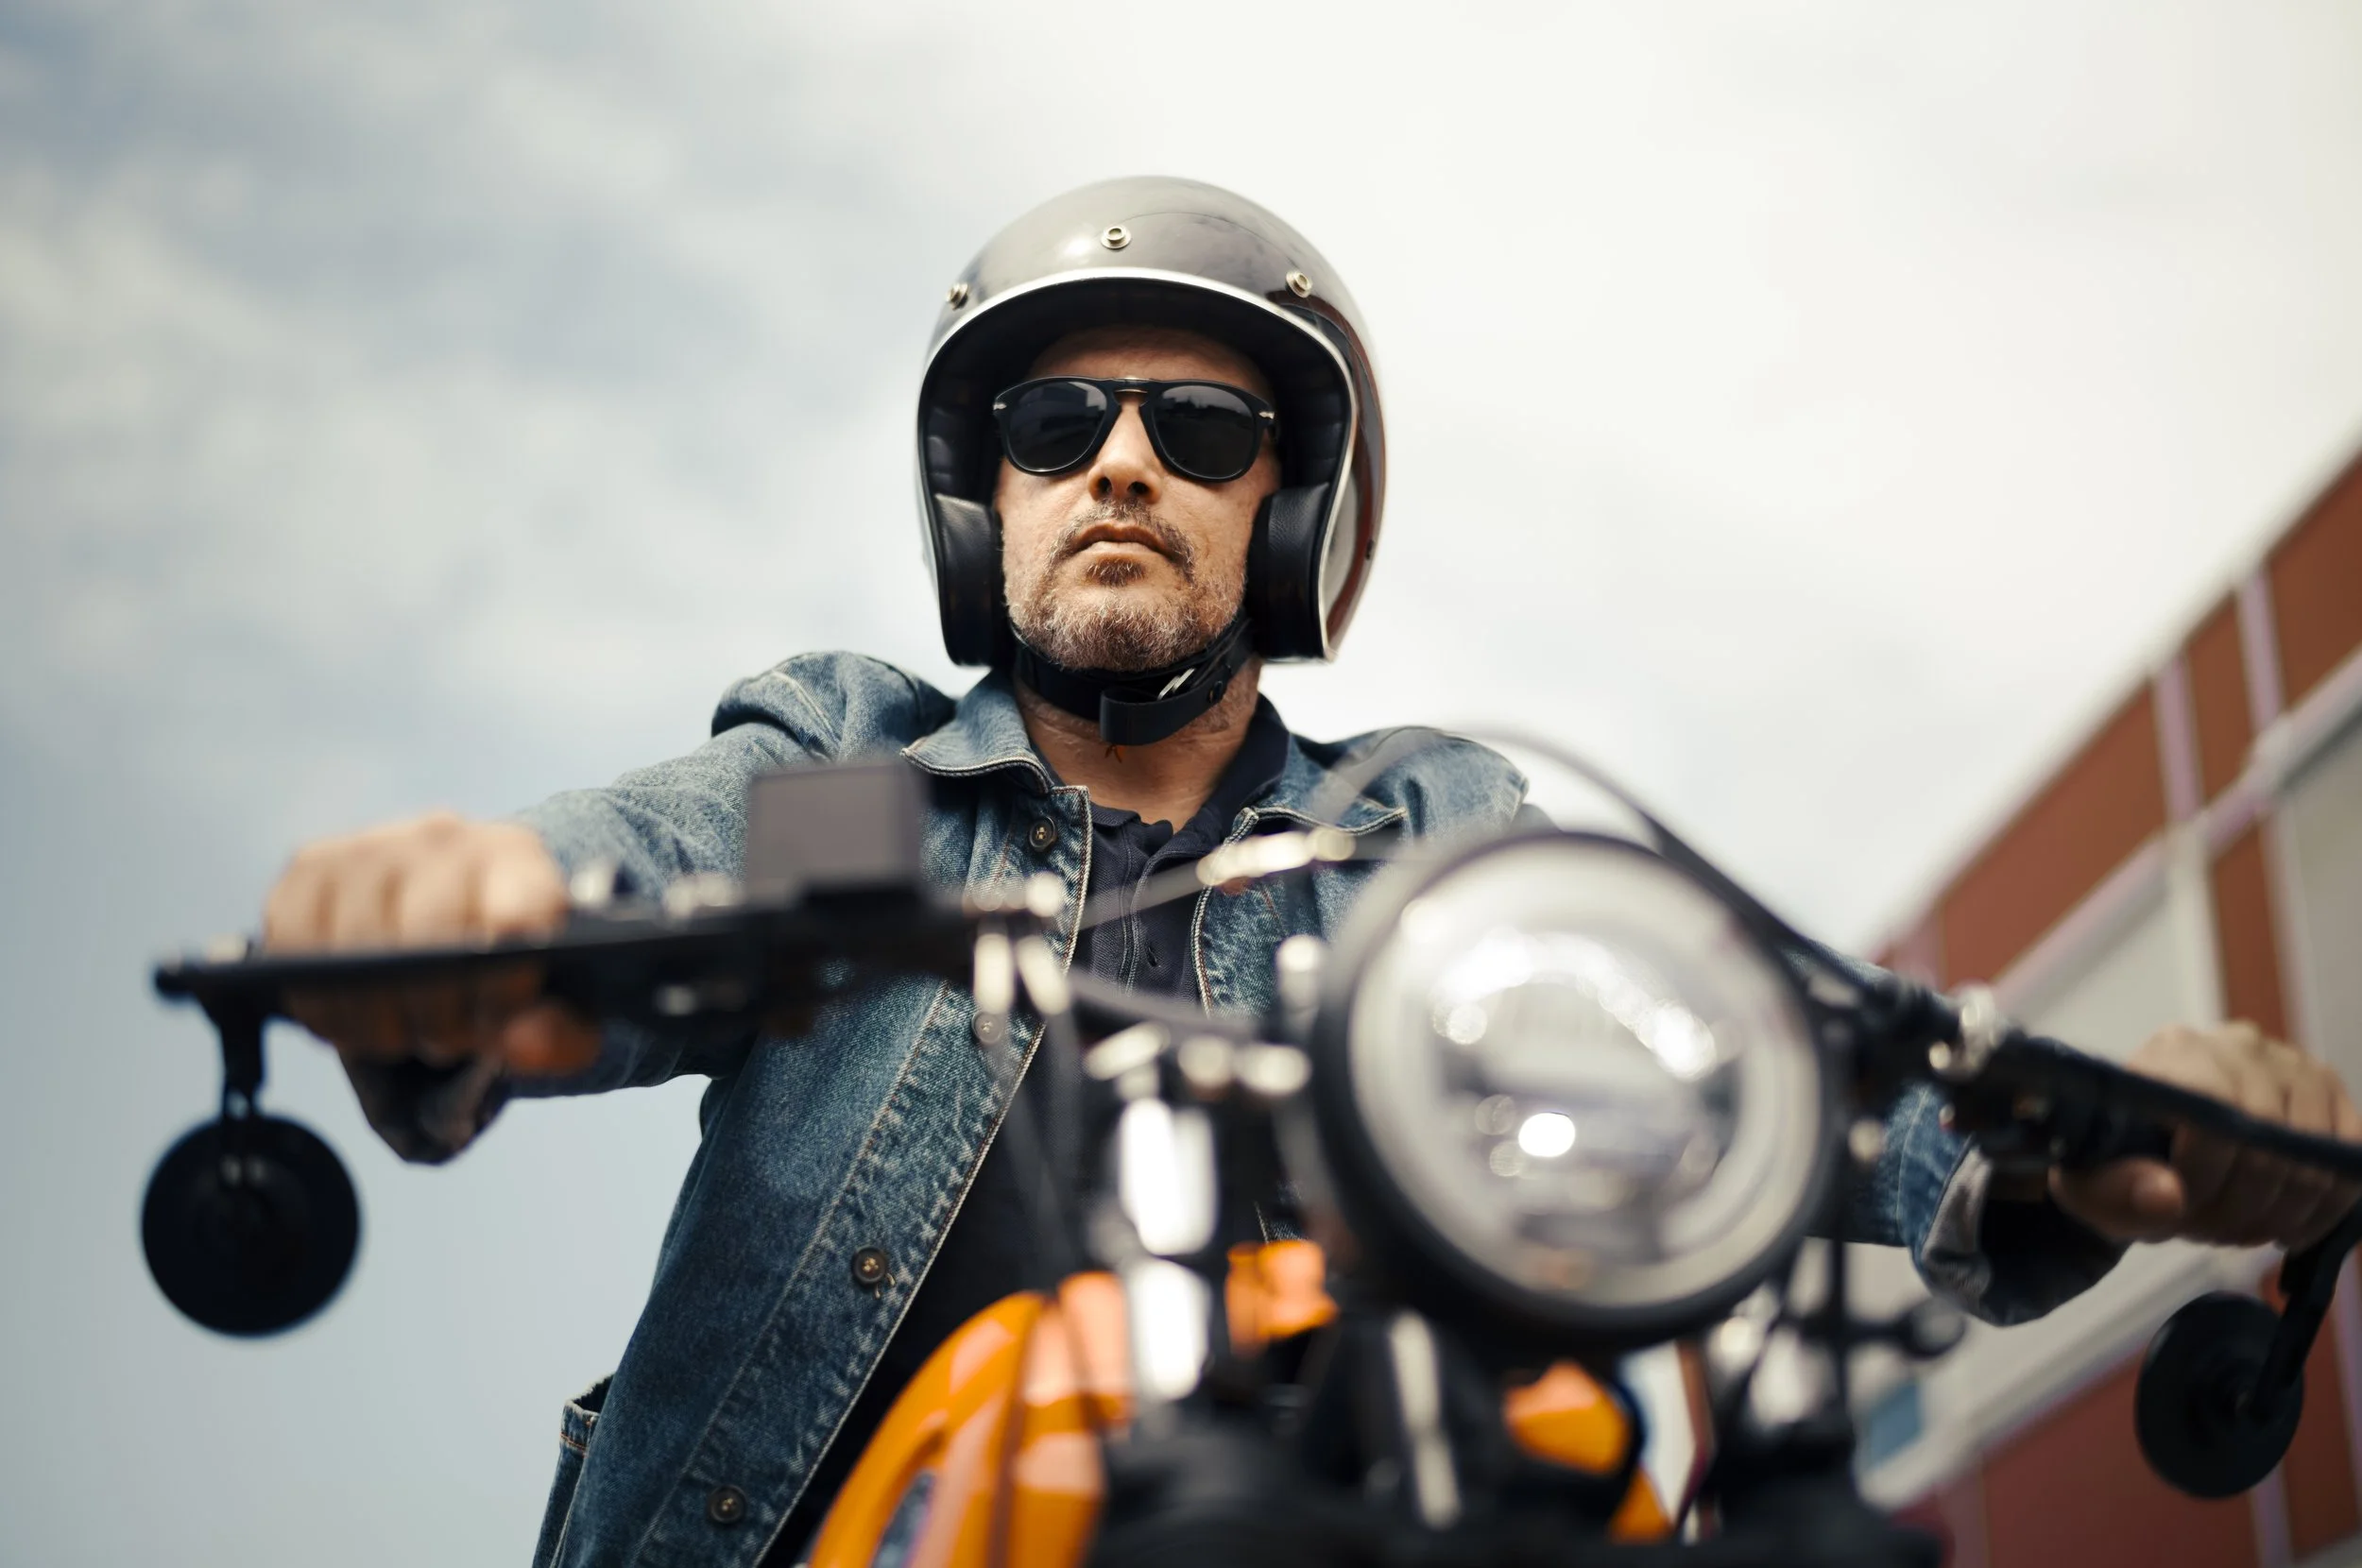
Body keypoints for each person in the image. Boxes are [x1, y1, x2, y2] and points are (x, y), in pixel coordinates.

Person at [261, 178, 2360, 1568]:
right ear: (973, 497)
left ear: (1288, 519)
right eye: (1054, 415)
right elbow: (662, 878)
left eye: (1191, 423)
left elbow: (1707, 1043)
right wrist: (473, 919)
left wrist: (2074, 1155)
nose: (1112, 461)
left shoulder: (1422, 840)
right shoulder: (875, 790)